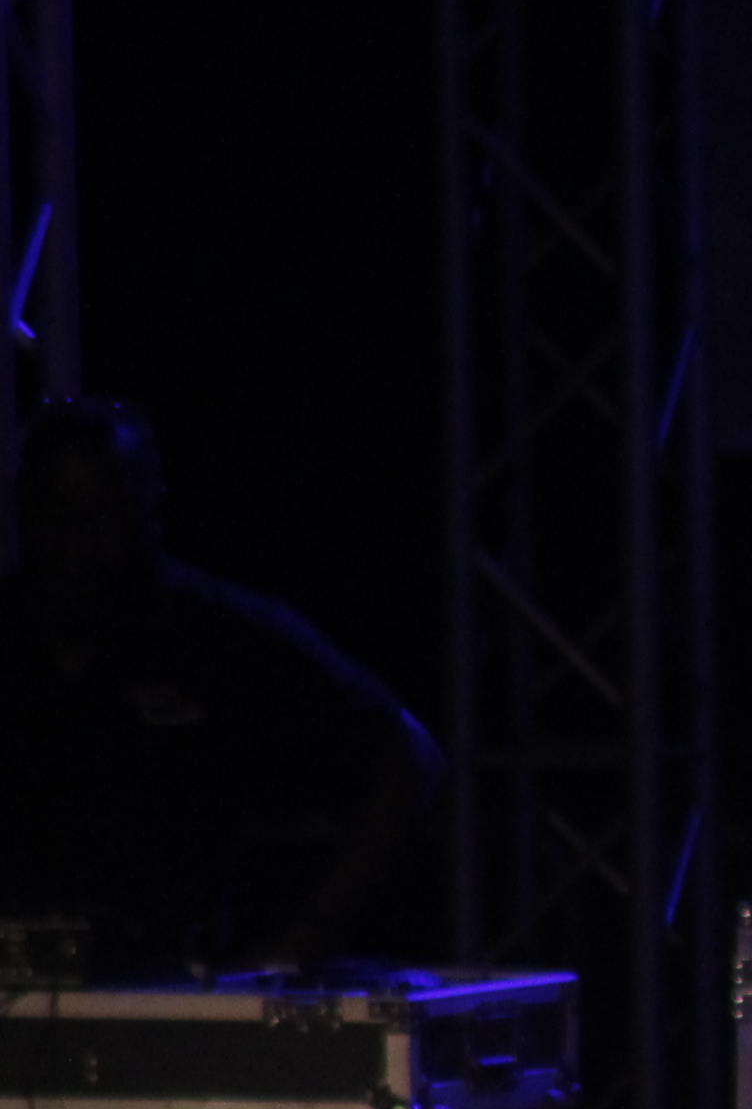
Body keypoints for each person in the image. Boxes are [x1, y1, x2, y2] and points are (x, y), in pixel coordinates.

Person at [0, 400, 445, 977]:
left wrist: (309, 932)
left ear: (147, 509)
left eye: (99, 513)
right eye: (52, 512)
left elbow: (406, 758)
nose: (73, 543)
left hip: (167, 991)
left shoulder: (215, 631)